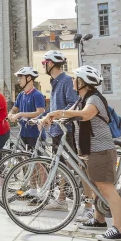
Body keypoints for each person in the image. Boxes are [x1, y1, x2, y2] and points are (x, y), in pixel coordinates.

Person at [42, 66, 121, 240]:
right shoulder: (82, 99)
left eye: (75, 78)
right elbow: (68, 115)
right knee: (95, 187)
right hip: (89, 150)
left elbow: (85, 115)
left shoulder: (94, 99)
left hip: (101, 150)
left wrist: (58, 112)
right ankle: (99, 220)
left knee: (106, 188)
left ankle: (119, 230)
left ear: (82, 82)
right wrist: (50, 117)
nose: (72, 81)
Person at [41, 50, 79, 211]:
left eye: (44, 63)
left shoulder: (66, 80)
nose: (44, 66)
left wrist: (56, 117)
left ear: (51, 63)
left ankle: (63, 198)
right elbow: (54, 106)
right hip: (57, 131)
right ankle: (64, 196)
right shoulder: (55, 81)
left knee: (66, 164)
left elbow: (73, 104)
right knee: (61, 164)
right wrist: (44, 117)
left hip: (66, 130)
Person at [8, 67, 46, 150]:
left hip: (35, 133)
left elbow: (40, 112)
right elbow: (14, 109)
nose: (19, 80)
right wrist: (10, 114)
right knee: (25, 160)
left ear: (29, 78)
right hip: (23, 132)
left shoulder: (37, 95)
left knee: (37, 161)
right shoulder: (21, 95)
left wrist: (20, 114)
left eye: (21, 78)